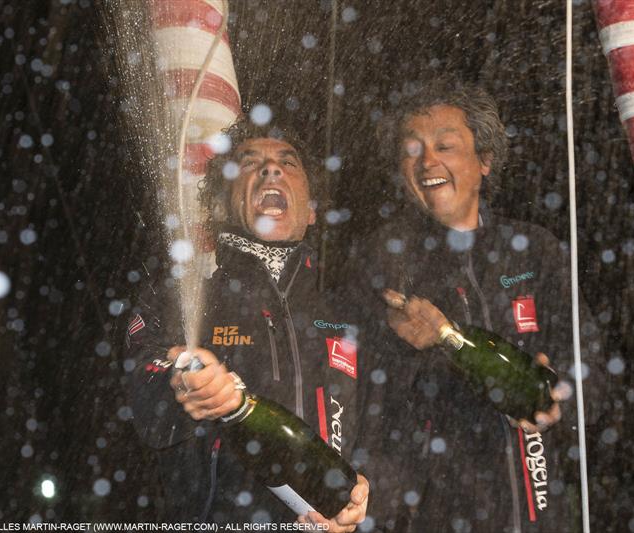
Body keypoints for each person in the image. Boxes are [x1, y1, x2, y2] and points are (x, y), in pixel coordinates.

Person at [345, 79, 603, 532]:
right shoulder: (380, 258)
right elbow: (359, 400)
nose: (428, 161)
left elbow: (592, 365)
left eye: (445, 145)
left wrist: (564, 392)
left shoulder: (534, 250)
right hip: (437, 514)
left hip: (546, 511)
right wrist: (416, 349)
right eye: (412, 150)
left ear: (484, 161)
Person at [125, 117, 368, 531]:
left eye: (287, 163)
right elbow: (141, 395)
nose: (270, 170)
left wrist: (363, 492)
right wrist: (181, 381)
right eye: (250, 163)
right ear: (222, 202)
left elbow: (385, 433)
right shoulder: (180, 300)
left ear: (311, 211)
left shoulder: (351, 314)